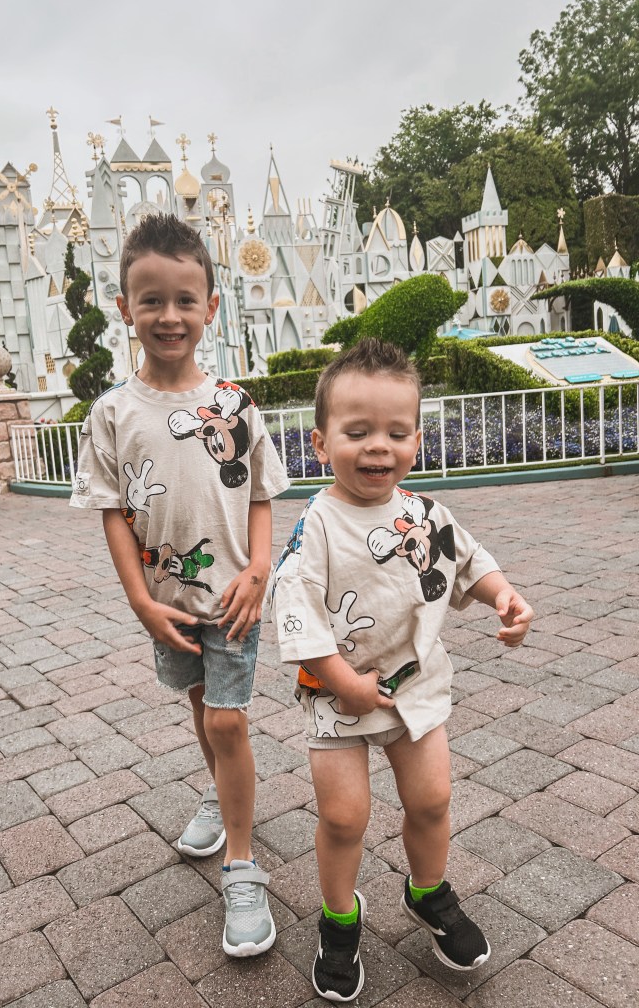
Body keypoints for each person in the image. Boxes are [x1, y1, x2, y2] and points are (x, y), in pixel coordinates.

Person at [270, 338, 533, 1001]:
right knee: (343, 817)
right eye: (357, 432)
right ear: (321, 443)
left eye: (395, 432)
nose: (378, 447)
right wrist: (342, 681)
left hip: (413, 688)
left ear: (417, 438)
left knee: (432, 799)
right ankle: (339, 918)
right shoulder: (318, 524)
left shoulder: (425, 513)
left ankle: (427, 891)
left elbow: (469, 562)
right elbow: (296, 611)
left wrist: (503, 595)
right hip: (338, 697)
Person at [70, 213, 289, 957]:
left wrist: (259, 569)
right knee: (201, 708)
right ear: (124, 308)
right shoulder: (112, 414)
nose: (170, 316)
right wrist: (140, 600)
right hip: (168, 606)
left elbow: (261, 494)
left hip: (231, 598)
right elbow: (112, 512)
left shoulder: (234, 405)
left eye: (185, 300)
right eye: (152, 300)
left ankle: (242, 865)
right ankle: (223, 796)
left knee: (227, 720)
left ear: (211, 307)